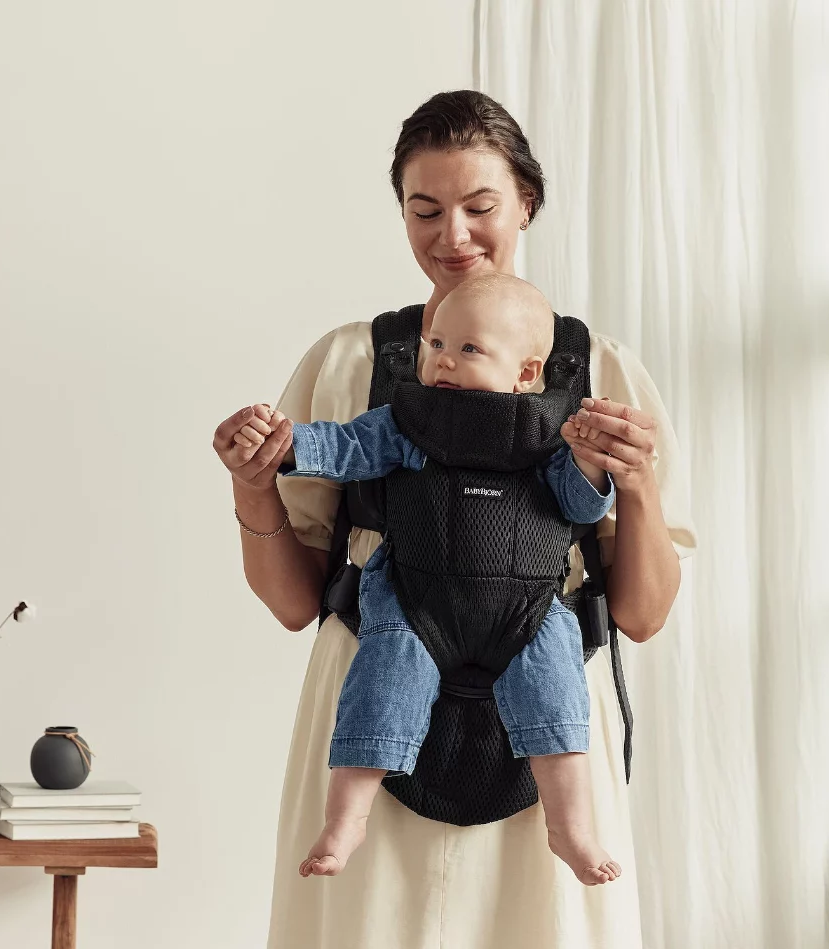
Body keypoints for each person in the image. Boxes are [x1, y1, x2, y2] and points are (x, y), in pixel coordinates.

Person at [212, 90, 696, 949]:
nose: (453, 236)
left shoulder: (599, 366)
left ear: (526, 203)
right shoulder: (351, 359)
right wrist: (254, 486)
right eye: (424, 209)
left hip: (543, 703)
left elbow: (643, 614)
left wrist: (638, 485)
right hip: (374, 687)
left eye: (480, 206)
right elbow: (293, 603)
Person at [231, 273, 622, 885]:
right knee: (380, 686)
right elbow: (347, 448)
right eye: (436, 344)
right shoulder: (408, 421)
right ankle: (346, 819)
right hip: (416, 606)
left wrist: (592, 464)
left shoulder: (552, 432)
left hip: (526, 611)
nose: (443, 360)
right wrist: (285, 446)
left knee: (557, 693)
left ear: (526, 373)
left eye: (468, 348)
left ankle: (570, 827)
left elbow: (577, 505)